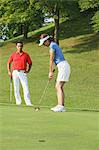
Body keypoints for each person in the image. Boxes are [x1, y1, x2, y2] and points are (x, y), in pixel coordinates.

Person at [39, 34, 71, 112]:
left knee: (58, 86)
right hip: (63, 66)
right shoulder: (54, 45)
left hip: (63, 66)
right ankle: (61, 106)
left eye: (44, 43)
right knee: (59, 86)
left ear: (47, 41)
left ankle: (60, 106)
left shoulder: (52, 46)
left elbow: (51, 59)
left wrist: (50, 72)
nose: (43, 44)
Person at [7, 41, 33, 106]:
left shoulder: (26, 55)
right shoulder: (13, 55)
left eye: (21, 46)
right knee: (16, 87)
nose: (20, 47)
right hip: (15, 72)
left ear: (22, 46)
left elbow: (30, 63)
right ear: (16, 47)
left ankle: (28, 102)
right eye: (18, 46)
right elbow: (8, 63)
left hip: (22, 72)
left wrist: (28, 70)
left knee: (25, 87)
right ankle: (18, 102)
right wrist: (9, 71)